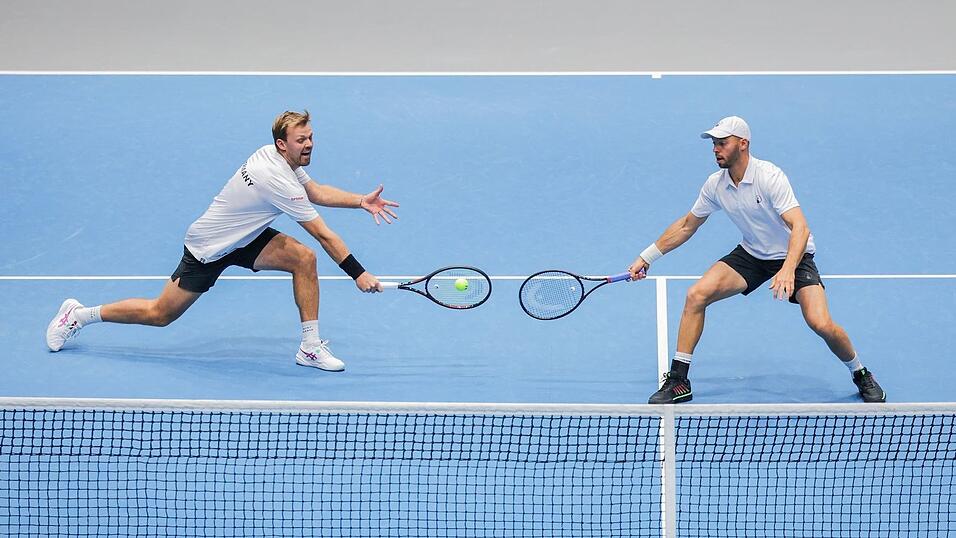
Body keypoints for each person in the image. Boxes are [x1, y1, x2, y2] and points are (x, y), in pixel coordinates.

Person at [45, 110, 399, 372]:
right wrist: (358, 274)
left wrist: (360, 201)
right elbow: (323, 232)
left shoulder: (279, 157)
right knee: (160, 314)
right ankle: (79, 315)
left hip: (246, 235)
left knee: (302, 259)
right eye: (300, 140)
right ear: (282, 144)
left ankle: (309, 346)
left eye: (310, 137)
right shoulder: (276, 178)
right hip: (209, 247)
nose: (308, 144)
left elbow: (316, 191)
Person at [628, 116, 885, 404]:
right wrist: (646, 257)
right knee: (696, 295)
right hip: (753, 253)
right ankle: (679, 381)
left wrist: (788, 270)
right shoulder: (716, 185)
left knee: (820, 323)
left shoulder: (769, 176)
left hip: (794, 255)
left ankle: (861, 373)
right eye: (714, 144)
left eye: (722, 143)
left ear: (743, 144)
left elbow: (800, 227)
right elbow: (688, 225)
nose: (716, 149)